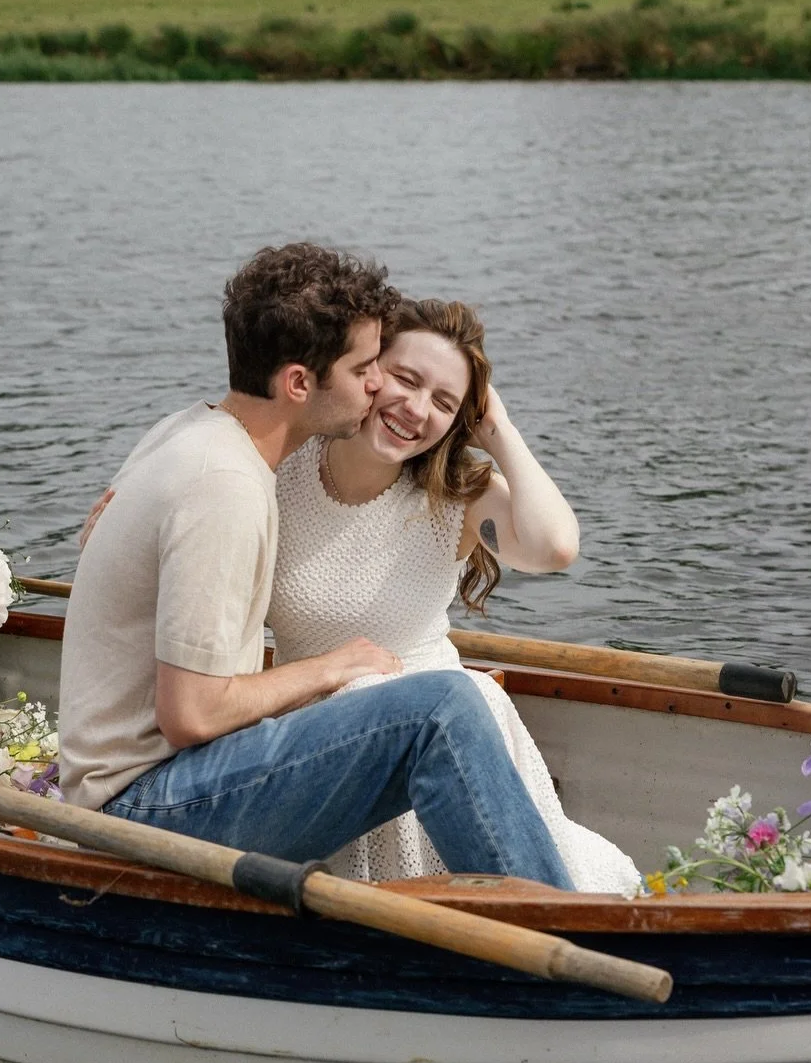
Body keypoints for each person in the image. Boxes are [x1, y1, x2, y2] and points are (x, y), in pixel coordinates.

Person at [58, 242, 574, 885]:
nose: (379, 388)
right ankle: (560, 935)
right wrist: (332, 667)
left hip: (157, 784)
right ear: (301, 382)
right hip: (144, 809)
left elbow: (553, 546)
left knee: (437, 697)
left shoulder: (191, 433)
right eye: (370, 370)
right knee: (441, 708)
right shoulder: (227, 484)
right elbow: (190, 715)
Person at [268, 297, 640, 893]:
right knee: (366, 696)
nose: (416, 410)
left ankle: (528, 908)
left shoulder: (454, 496)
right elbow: (209, 436)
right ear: (366, 369)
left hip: (444, 726)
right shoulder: (280, 465)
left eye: (444, 402)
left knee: (456, 698)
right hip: (318, 734)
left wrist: (501, 432)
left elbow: (554, 549)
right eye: (406, 379)